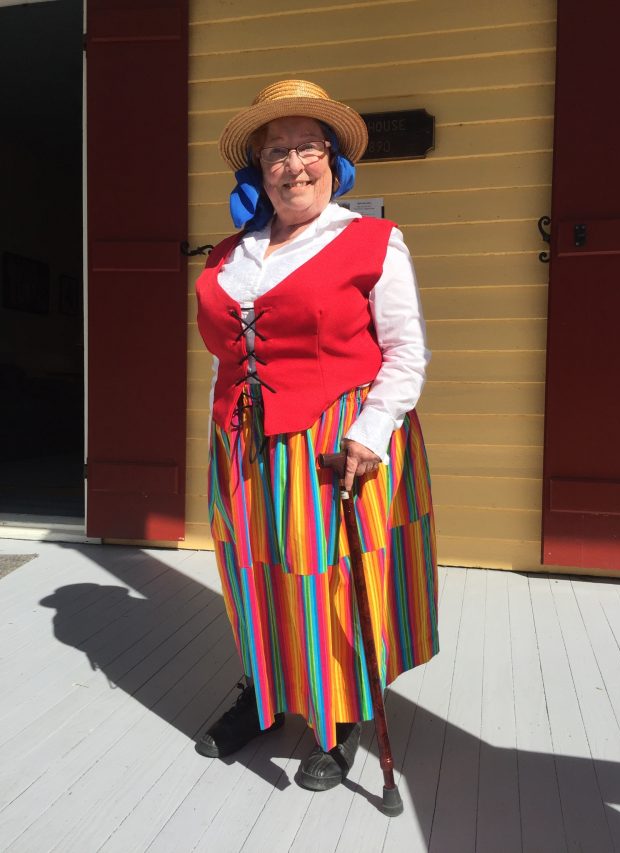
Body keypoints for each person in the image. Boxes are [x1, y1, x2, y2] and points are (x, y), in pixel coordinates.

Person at [195, 79, 438, 792]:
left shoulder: (371, 241)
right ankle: (264, 694)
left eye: (308, 146)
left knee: (328, 579)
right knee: (251, 571)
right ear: (257, 167)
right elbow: (229, 349)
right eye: (276, 149)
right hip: (241, 440)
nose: (292, 163)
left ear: (333, 161)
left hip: (335, 442)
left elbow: (405, 351)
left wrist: (370, 434)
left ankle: (340, 716)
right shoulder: (228, 255)